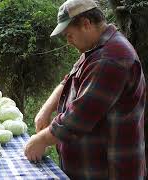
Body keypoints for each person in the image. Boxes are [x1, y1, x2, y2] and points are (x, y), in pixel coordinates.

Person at [24, 0, 146, 179]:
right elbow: (69, 79)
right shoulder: (96, 49)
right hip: (88, 167)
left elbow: (78, 119)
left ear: (86, 24)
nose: (68, 40)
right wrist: (45, 110)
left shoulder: (111, 58)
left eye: (69, 34)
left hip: (109, 169)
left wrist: (40, 140)